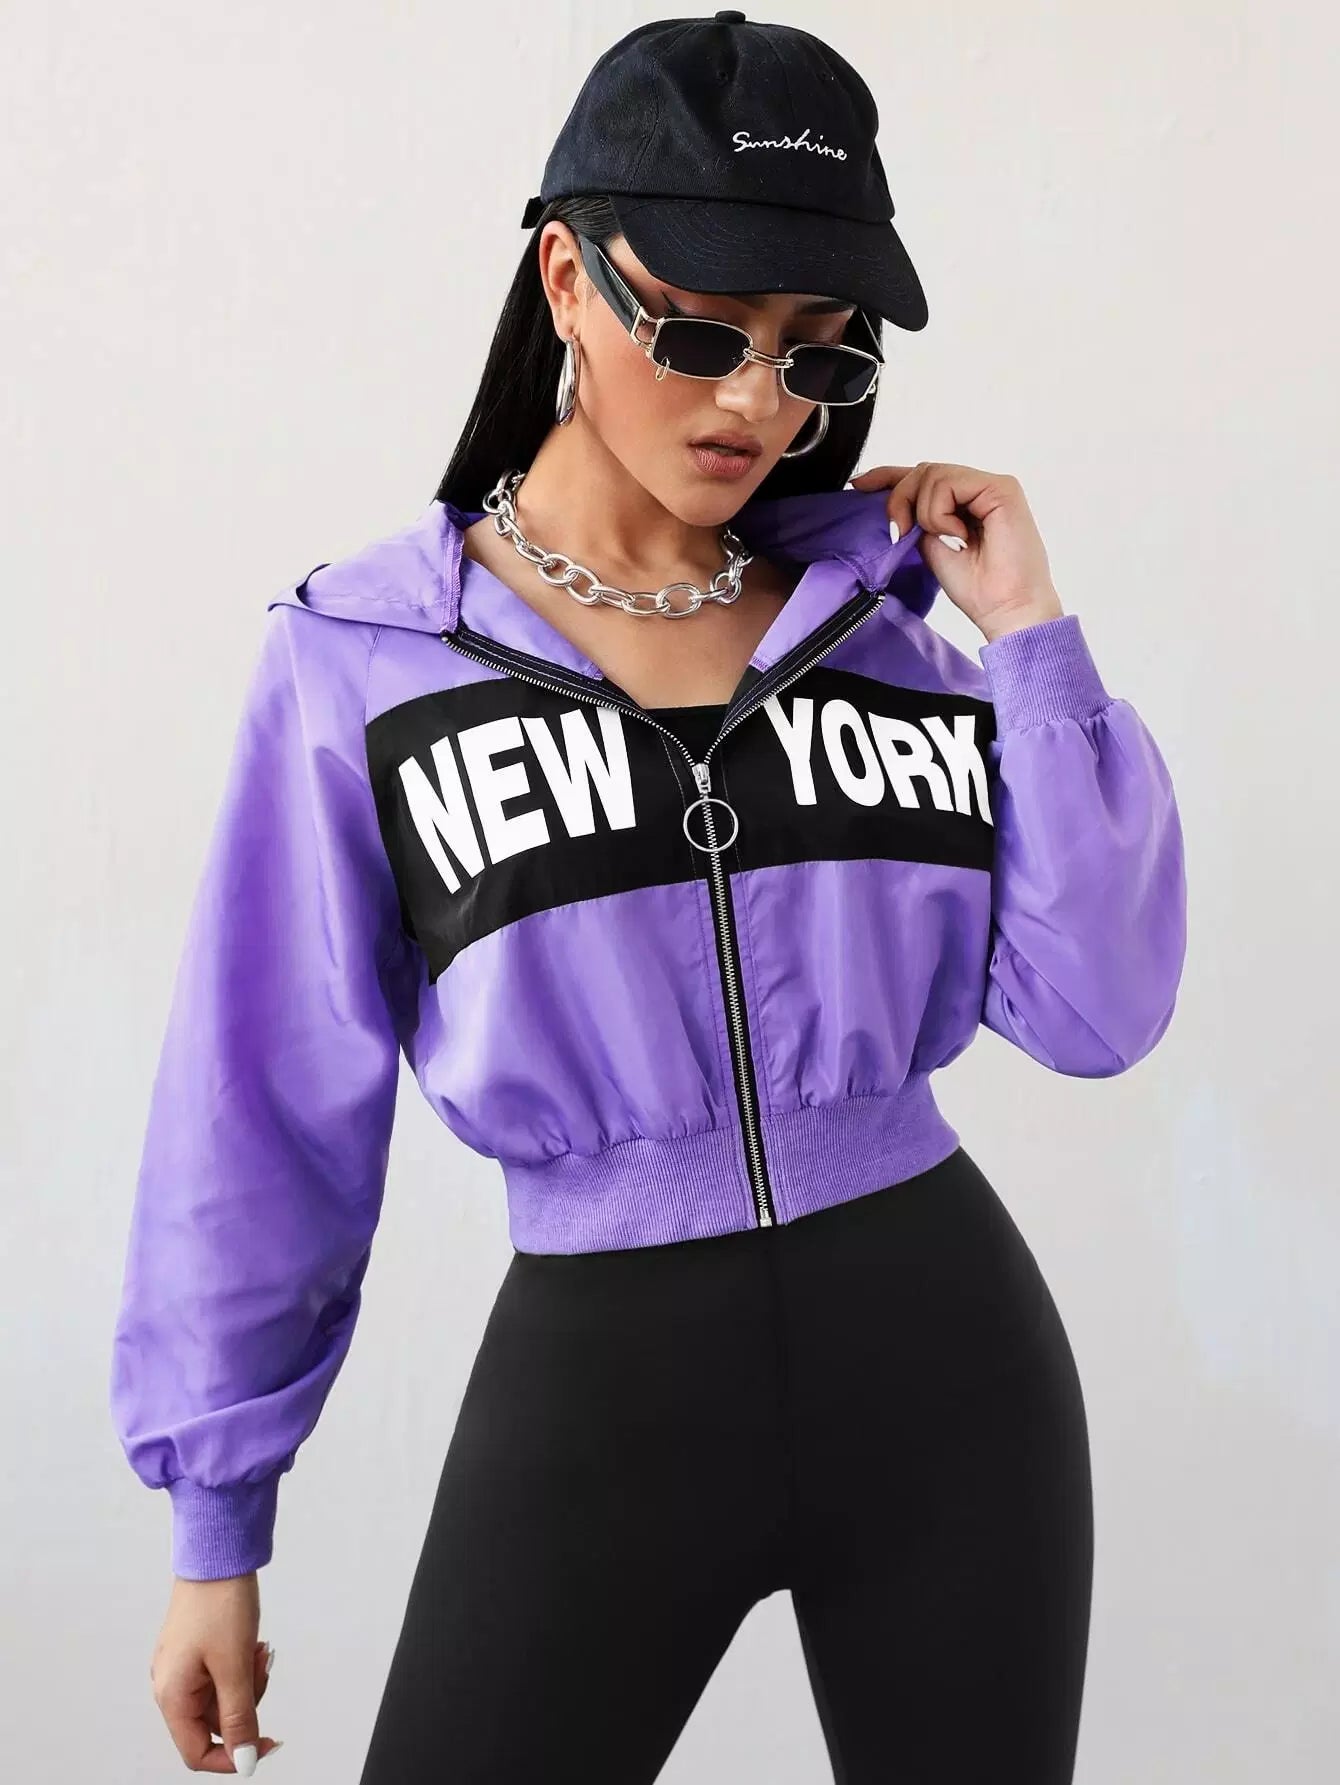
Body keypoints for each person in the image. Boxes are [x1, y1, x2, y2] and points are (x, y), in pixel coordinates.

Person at [109, 13, 1188, 1782]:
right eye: (700, 333)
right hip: (600, 1397)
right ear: (567, 278)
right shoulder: (363, 663)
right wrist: (215, 1524)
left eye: (817, 354)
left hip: (951, 1376)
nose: (756, 403)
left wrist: (1033, 639)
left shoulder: (886, 639)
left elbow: (1099, 1006)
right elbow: (261, 1102)